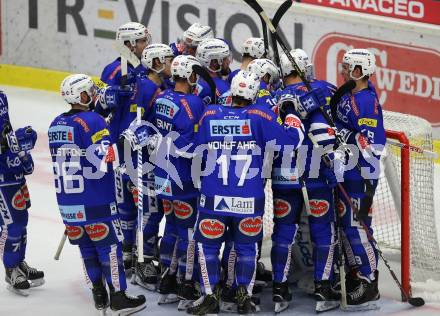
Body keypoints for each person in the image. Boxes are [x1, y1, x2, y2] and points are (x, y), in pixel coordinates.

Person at [187, 70, 305, 315]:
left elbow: (197, 148)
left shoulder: (210, 115)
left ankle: (210, 297)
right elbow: (291, 142)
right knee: (246, 250)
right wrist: (291, 114)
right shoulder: (260, 115)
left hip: (213, 197)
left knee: (207, 248)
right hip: (248, 200)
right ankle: (244, 298)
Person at [48, 74, 146, 315]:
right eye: (90, 91)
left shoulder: (55, 124)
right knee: (109, 248)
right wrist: (130, 140)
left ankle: (99, 294)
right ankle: (119, 298)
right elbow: (105, 161)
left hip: (68, 204)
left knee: (86, 249)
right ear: (81, 95)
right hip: (96, 202)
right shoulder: (92, 120)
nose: (95, 94)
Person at [270, 48, 341, 313]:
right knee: (324, 230)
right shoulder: (320, 89)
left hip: (282, 176)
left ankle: (279, 290)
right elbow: (326, 133)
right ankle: (324, 288)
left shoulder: (273, 98)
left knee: (283, 232)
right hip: (315, 174)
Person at [151, 55, 205, 309]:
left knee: (171, 226)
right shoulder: (192, 102)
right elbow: (192, 142)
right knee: (189, 231)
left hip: (162, 175)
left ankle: (166, 279)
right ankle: (186, 284)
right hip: (183, 177)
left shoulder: (162, 97)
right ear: (190, 74)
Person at [98, 21, 152, 271]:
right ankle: (126, 248)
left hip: (144, 147)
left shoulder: (144, 68)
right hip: (121, 147)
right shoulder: (113, 70)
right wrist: (108, 97)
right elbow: (96, 109)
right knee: (124, 201)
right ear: (129, 44)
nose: (145, 45)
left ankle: (141, 248)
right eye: (141, 41)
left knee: (143, 200)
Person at [334, 49, 385, 309]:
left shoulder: (365, 100)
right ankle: (357, 274)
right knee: (347, 227)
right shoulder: (350, 94)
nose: (344, 71)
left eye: (349, 68)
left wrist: (347, 135)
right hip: (348, 172)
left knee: (358, 229)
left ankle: (370, 282)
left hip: (361, 175)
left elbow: (373, 143)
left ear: (359, 71)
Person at [128, 43, 175, 291]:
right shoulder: (145, 86)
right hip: (142, 160)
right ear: (157, 63)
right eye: (168, 60)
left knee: (156, 211)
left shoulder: (160, 85)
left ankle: (145, 254)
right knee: (149, 211)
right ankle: (141, 260)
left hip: (155, 159)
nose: (172, 63)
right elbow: (133, 122)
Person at [0, 90, 43, 296]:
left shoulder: (2, 96)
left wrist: (18, 145)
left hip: (12, 170)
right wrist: (8, 145)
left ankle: (18, 262)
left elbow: (5, 130)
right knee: (10, 226)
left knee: (21, 221)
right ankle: (10, 269)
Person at [194, 38, 232, 107]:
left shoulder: (192, 78)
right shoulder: (223, 87)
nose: (228, 61)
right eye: (225, 58)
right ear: (214, 62)